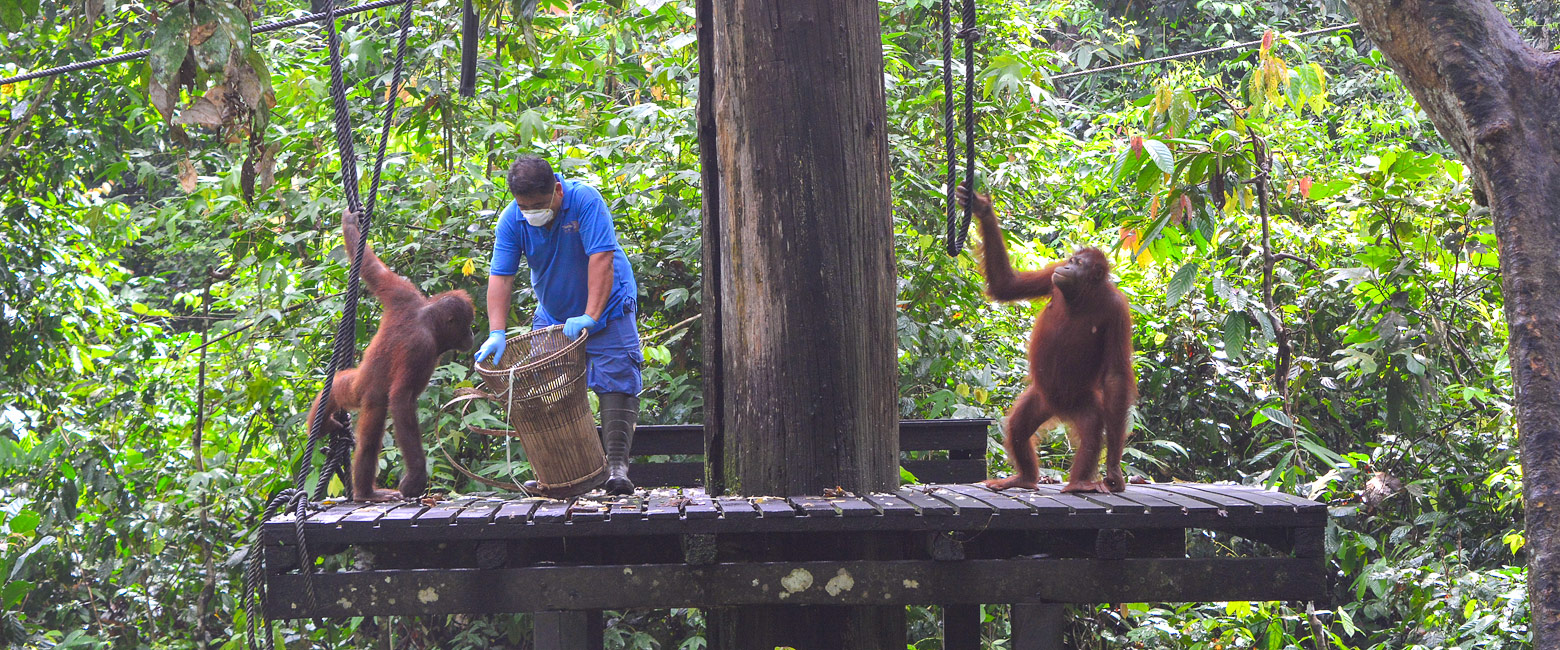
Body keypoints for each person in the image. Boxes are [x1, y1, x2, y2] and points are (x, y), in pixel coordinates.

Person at [474, 156, 643, 496]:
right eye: (524, 206)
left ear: (557, 190)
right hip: (554, 314)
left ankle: (616, 469)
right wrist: (497, 331)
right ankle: (564, 473)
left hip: (608, 306)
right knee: (547, 389)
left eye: (538, 205)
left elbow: (602, 258)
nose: (531, 212)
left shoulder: (585, 201)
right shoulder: (513, 220)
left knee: (616, 380)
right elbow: (501, 276)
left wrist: (592, 316)